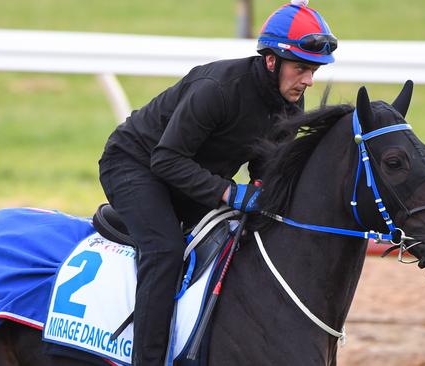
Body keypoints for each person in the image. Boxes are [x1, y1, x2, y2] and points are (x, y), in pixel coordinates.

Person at [98, 0, 337, 364]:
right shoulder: (219, 89)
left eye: (313, 71)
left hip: (187, 176)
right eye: (301, 68)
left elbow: (266, 167)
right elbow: (164, 158)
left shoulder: (289, 104)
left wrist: (264, 190)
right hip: (135, 165)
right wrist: (229, 192)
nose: (308, 80)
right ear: (271, 61)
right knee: (165, 250)